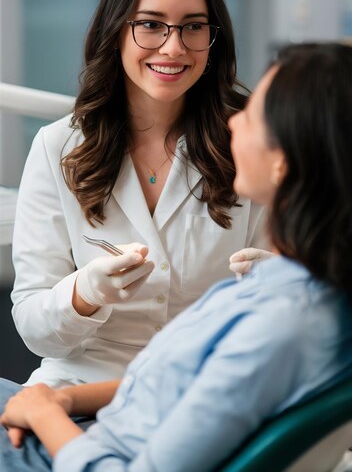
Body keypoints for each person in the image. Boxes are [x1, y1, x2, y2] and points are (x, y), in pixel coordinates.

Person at [1, 41, 352, 472]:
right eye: (150, 24)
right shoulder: (297, 293)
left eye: (256, 113)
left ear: (285, 162)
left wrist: (45, 415)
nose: (235, 120)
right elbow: (179, 383)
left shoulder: (280, 322)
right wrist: (64, 395)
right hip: (89, 407)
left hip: (69, 451)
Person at [11, 0, 268, 388]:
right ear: (115, 31)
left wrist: (278, 283)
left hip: (204, 387)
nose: (173, 47)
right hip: (79, 382)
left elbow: (301, 309)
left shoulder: (249, 142)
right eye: (150, 25)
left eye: (192, 27)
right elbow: (36, 330)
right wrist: (85, 294)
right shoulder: (58, 147)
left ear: (213, 39)